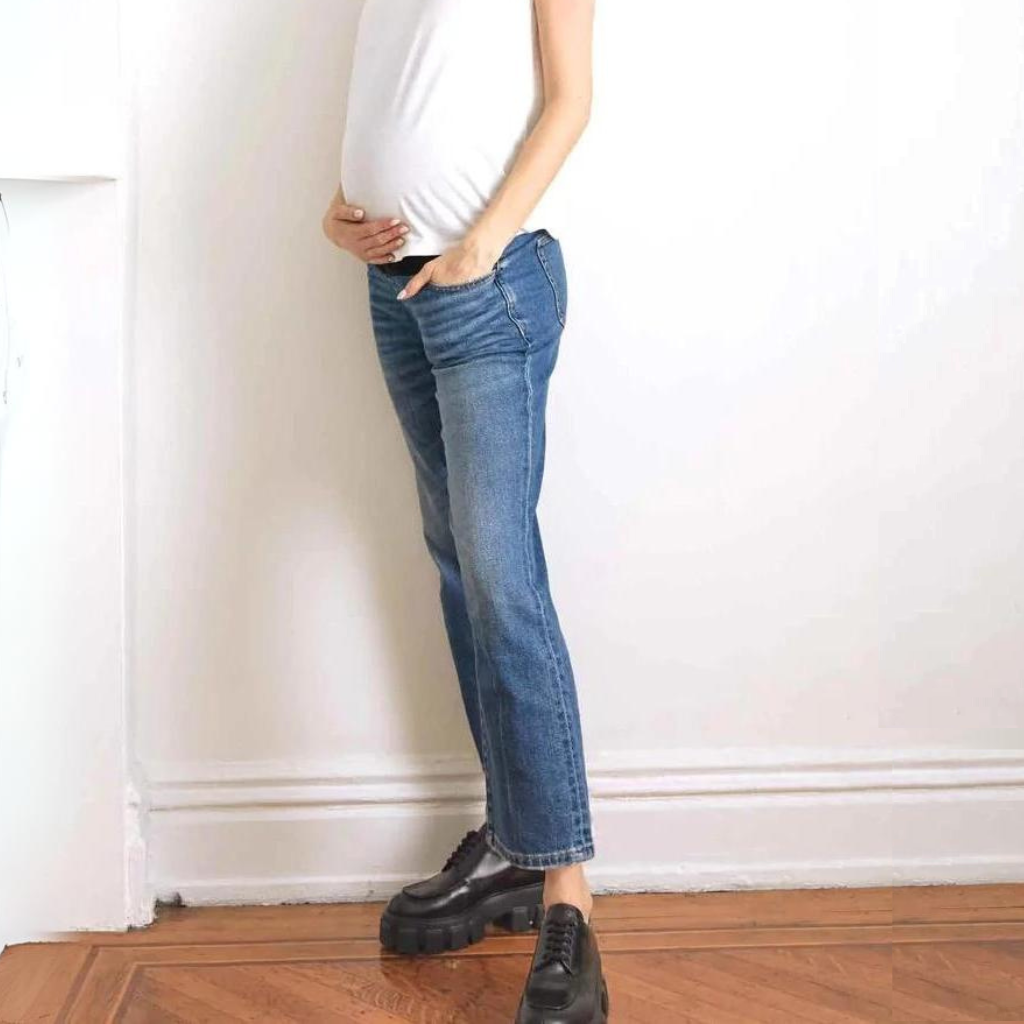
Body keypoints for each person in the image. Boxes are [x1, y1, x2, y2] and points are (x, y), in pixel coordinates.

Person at [322, 0, 605, 1019]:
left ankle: (566, 891)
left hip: (489, 287)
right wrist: (339, 207)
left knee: (501, 579)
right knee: (459, 568)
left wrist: (482, 244)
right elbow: (398, 81)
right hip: (394, 286)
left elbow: (570, 99)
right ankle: (511, 845)